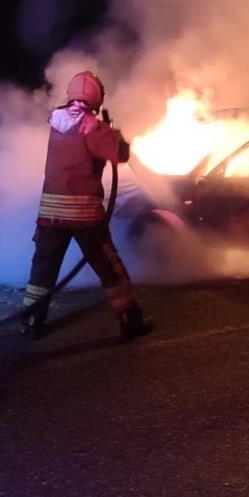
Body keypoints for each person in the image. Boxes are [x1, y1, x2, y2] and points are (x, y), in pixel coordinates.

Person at [21, 70, 150, 341]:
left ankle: (32, 320)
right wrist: (115, 133)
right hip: (85, 217)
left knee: (42, 269)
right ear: (96, 97)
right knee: (109, 267)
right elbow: (120, 154)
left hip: (50, 216)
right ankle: (129, 319)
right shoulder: (92, 126)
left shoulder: (56, 122)